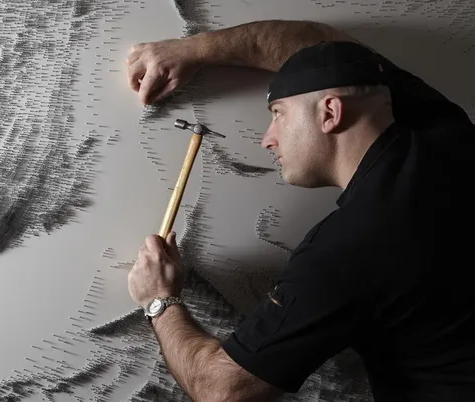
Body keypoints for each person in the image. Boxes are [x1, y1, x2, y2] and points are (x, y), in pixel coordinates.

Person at [126, 19, 475, 402]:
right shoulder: (447, 133)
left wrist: (159, 300)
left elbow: (224, 390)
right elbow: (326, 49)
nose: (267, 139)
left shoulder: (343, 251)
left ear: (330, 113)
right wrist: (191, 51)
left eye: (278, 113)